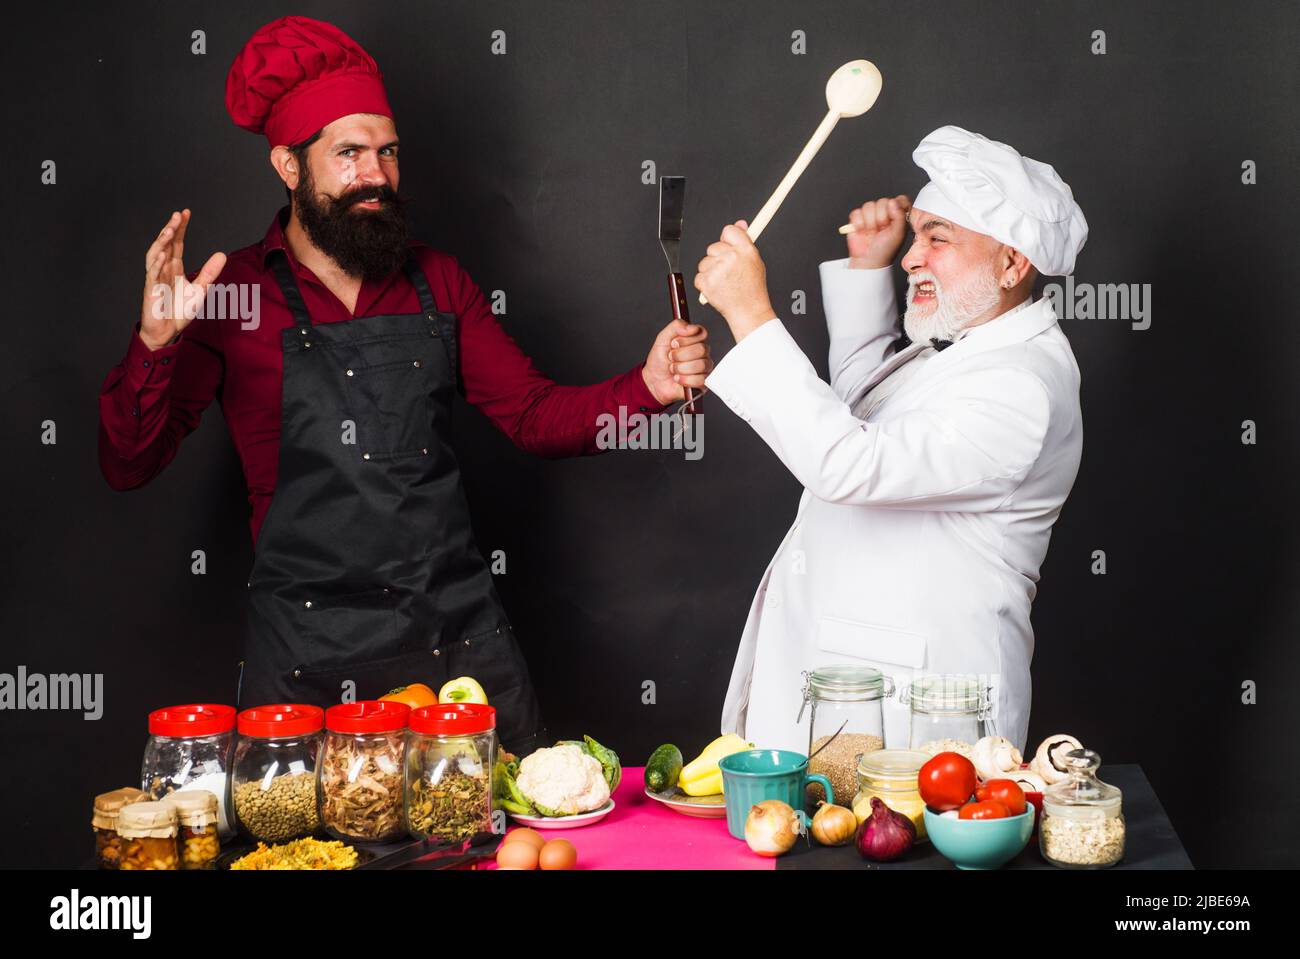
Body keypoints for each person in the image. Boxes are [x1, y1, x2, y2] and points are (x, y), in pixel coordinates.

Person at [97, 16, 712, 753]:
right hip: (306, 665)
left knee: (501, 825)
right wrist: (155, 344)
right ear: (289, 166)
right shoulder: (232, 295)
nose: (376, 175)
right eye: (348, 153)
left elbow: (534, 416)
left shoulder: (438, 280)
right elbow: (128, 463)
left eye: (387, 151)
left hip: (456, 646)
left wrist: (646, 385)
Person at [694, 125, 1087, 753]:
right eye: (916, 233)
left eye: (938, 237)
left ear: (1012, 263)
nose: (911, 257)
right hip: (858, 694)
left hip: (919, 713)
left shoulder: (1020, 386)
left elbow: (850, 463)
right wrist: (866, 266)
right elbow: (862, 410)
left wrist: (750, 313)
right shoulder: (970, 348)